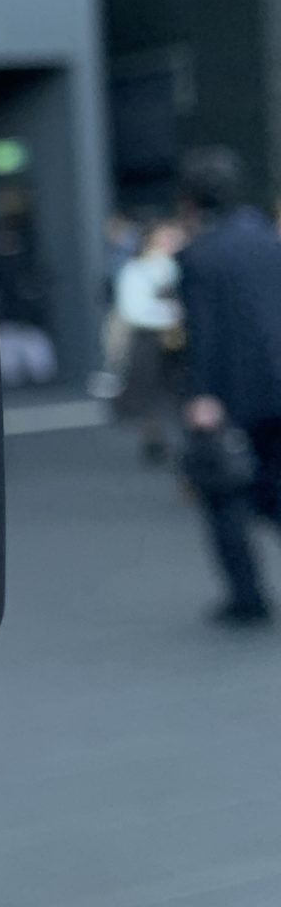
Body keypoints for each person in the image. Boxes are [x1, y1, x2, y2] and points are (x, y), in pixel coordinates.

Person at [176, 146, 281, 624]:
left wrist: (202, 394)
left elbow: (204, 331)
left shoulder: (199, 254)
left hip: (231, 391)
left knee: (224, 494)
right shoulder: (267, 239)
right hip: (276, 383)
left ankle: (247, 597)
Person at [113, 219, 184, 462]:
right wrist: (173, 315)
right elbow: (133, 310)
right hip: (150, 339)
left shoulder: (180, 265)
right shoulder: (137, 270)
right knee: (150, 393)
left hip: (176, 338)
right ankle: (154, 440)